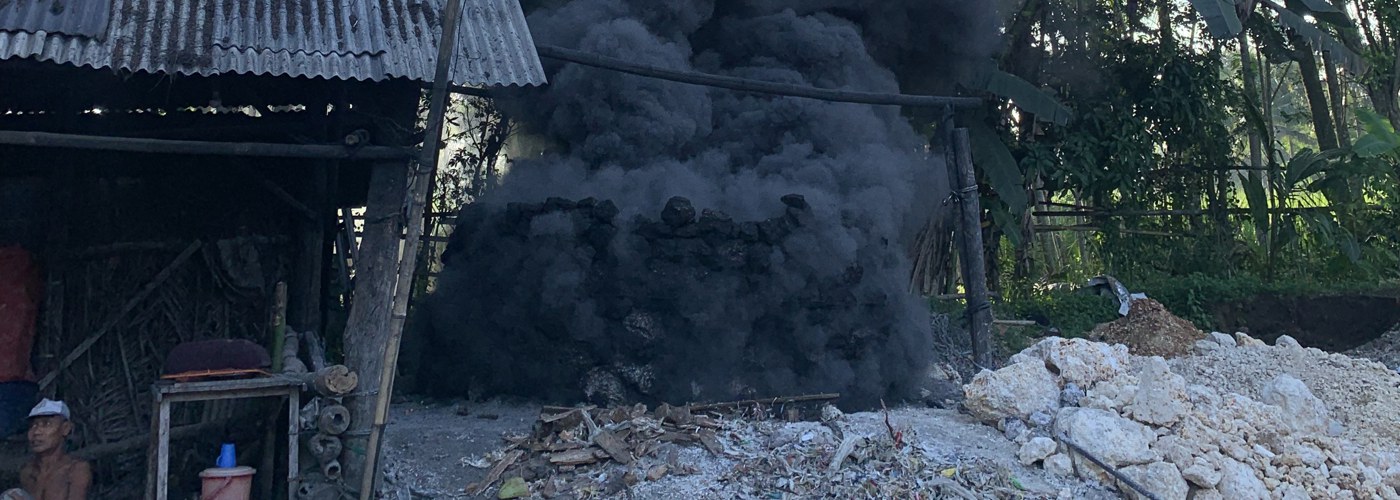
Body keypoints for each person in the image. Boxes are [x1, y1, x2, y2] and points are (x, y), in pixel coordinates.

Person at [2, 399, 89, 500]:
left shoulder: (75, 470)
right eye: (33, 425)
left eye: (46, 424)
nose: (36, 432)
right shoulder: (27, 472)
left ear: (65, 428)